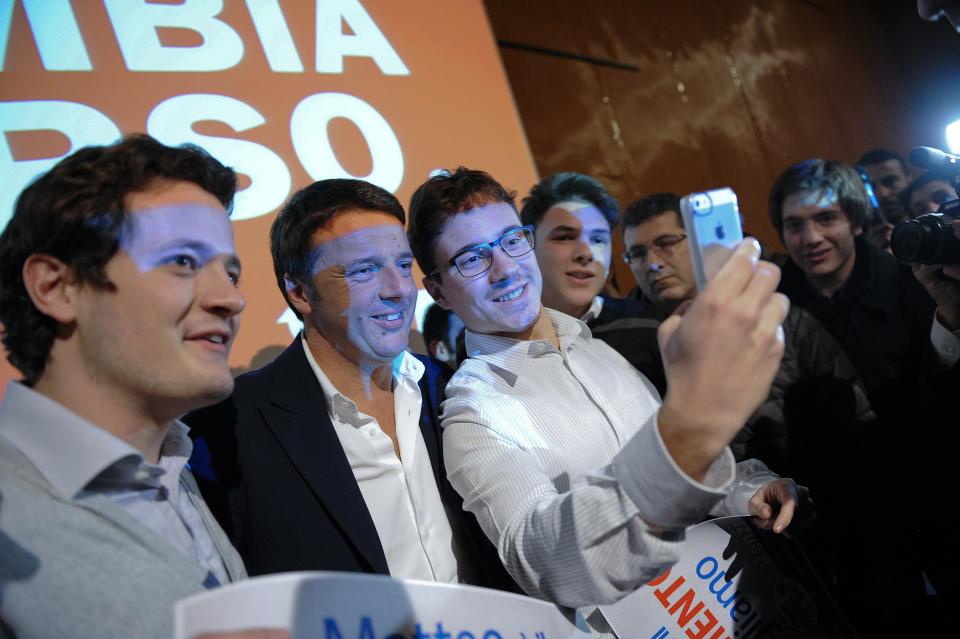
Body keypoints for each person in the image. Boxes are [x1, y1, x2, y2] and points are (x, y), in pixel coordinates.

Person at [406, 167, 802, 622]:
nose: (505, 268)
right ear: (437, 290)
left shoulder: (595, 349)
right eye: (471, 259)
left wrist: (749, 491)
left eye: (511, 241)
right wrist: (683, 435)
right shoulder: (472, 412)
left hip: (733, 605)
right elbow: (544, 562)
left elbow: (691, 489)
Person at [0, 135, 274, 639]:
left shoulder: (174, 471)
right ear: (56, 288)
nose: (230, 300)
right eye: (184, 262)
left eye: (229, 273)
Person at [185, 179, 512, 590]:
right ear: (300, 292)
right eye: (364, 270)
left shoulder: (451, 387)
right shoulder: (227, 428)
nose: (398, 290)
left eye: (403, 265)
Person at [620, 192, 872, 472]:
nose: (653, 263)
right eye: (638, 254)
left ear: (698, 241)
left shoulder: (779, 317)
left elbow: (858, 417)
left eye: (666, 244)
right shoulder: (632, 349)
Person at [769, 159, 936, 421]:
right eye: (794, 225)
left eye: (826, 218)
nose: (811, 238)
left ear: (857, 223)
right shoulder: (771, 304)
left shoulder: (910, 285)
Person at [519, 172, 664, 393]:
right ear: (528, 246)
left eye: (598, 239)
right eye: (565, 237)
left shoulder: (648, 327)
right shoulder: (503, 340)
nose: (585, 253)